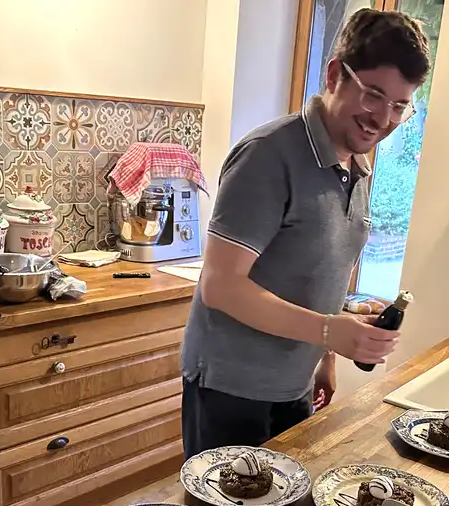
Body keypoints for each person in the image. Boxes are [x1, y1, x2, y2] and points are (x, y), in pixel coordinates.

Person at [180, 8, 432, 458]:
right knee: (233, 504)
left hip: (292, 386)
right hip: (231, 388)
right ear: (335, 75)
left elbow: (312, 275)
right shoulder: (267, 156)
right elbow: (221, 286)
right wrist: (329, 332)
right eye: (373, 95)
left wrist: (326, 353)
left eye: (399, 105)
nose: (383, 118)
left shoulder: (356, 165)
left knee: (290, 502)